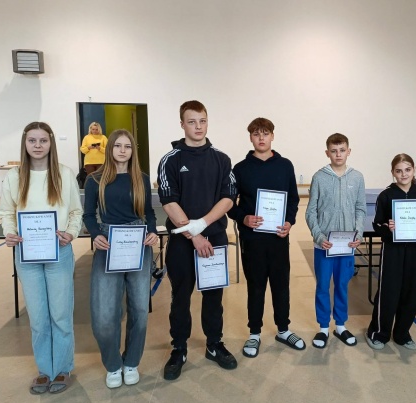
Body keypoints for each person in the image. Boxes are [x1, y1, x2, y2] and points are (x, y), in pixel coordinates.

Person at [0, 122, 83, 394]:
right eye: (32, 140)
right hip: (27, 255)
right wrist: (10, 233)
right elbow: (6, 212)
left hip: (59, 252)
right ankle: (45, 371)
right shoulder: (14, 176)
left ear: (51, 143)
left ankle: (63, 368)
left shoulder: (64, 174)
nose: (37, 145)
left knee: (60, 315)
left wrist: (71, 233)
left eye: (43, 140)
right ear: (24, 143)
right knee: (38, 318)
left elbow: (76, 212)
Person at [157, 100, 237, 380]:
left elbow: (228, 198)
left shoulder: (222, 159)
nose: (198, 126)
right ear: (182, 124)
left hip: (214, 239)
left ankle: (214, 344)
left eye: (202, 121)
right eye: (192, 121)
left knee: (214, 296)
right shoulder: (170, 160)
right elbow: (169, 202)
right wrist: (195, 235)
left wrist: (203, 225)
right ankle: (179, 348)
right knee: (180, 297)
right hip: (183, 242)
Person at [83, 129, 158, 388]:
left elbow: (149, 213)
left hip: (139, 244)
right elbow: (88, 215)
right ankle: (113, 365)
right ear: (110, 148)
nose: (122, 150)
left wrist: (152, 231)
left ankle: (131, 362)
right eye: (118, 146)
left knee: (139, 310)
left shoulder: (142, 179)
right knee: (104, 314)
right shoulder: (94, 180)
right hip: (108, 244)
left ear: (132, 150)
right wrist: (95, 235)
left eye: (127, 146)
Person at [227, 118, 304, 358]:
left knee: (281, 285)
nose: (261, 138)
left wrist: (289, 222)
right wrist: (244, 218)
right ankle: (254, 333)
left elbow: (293, 199)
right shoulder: (240, 169)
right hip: (252, 240)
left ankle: (283, 329)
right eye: (256, 134)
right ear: (250, 137)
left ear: (272, 136)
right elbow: (229, 204)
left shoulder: (285, 165)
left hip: (279, 238)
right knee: (256, 286)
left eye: (266, 133)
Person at [365, 154, 416, 351]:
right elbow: (377, 224)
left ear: (414, 170)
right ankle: (378, 332)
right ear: (393, 173)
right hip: (392, 250)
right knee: (388, 291)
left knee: (410, 292)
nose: (403, 174)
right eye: (399, 171)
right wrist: (388, 227)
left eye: (407, 170)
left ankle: (402, 333)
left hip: (415, 250)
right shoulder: (386, 196)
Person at [305, 133, 366, 348]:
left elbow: (360, 209)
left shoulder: (357, 177)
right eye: (334, 151)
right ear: (327, 153)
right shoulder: (319, 177)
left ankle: (340, 325)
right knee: (323, 285)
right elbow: (310, 212)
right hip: (324, 245)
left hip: (347, 245)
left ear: (349, 151)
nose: (338, 154)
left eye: (342, 150)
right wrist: (319, 236)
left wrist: (358, 233)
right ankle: (323, 327)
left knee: (342, 285)